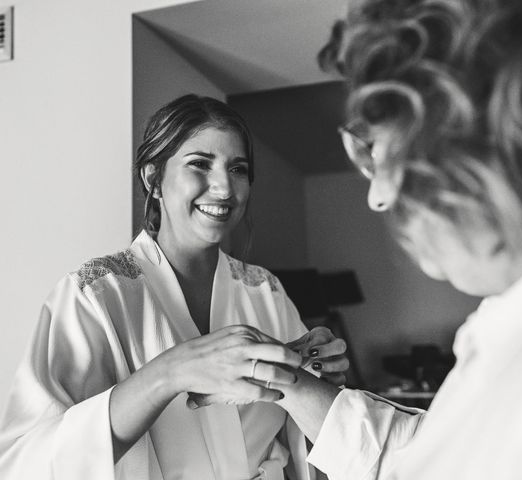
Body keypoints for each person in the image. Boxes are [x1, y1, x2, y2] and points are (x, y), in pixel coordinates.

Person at [268, 0, 522, 478]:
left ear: (485, 140)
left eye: (382, 156)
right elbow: (424, 458)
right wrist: (292, 384)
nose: (378, 198)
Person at [0, 94, 348, 480]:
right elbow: (24, 463)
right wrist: (170, 373)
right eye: (200, 163)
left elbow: (303, 444)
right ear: (154, 177)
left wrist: (316, 381)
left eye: (237, 168)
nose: (223, 188)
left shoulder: (266, 292)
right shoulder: (95, 296)